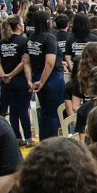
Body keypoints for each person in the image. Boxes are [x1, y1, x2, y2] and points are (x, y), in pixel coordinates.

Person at [26, 10, 65, 139]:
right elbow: (49, 63)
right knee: (54, 113)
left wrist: (30, 80)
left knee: (45, 111)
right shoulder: (50, 38)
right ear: (48, 22)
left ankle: (44, 140)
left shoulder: (31, 37)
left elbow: (26, 61)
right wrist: (42, 82)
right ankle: (51, 142)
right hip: (51, 77)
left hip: (37, 75)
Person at [0, 15, 32, 145]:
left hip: (6, 82)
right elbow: (24, 62)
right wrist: (11, 74)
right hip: (20, 80)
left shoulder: (1, 43)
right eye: (22, 23)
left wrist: (3, 75)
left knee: (13, 110)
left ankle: (17, 138)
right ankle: (28, 138)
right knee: (23, 109)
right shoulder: (23, 41)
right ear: (18, 26)